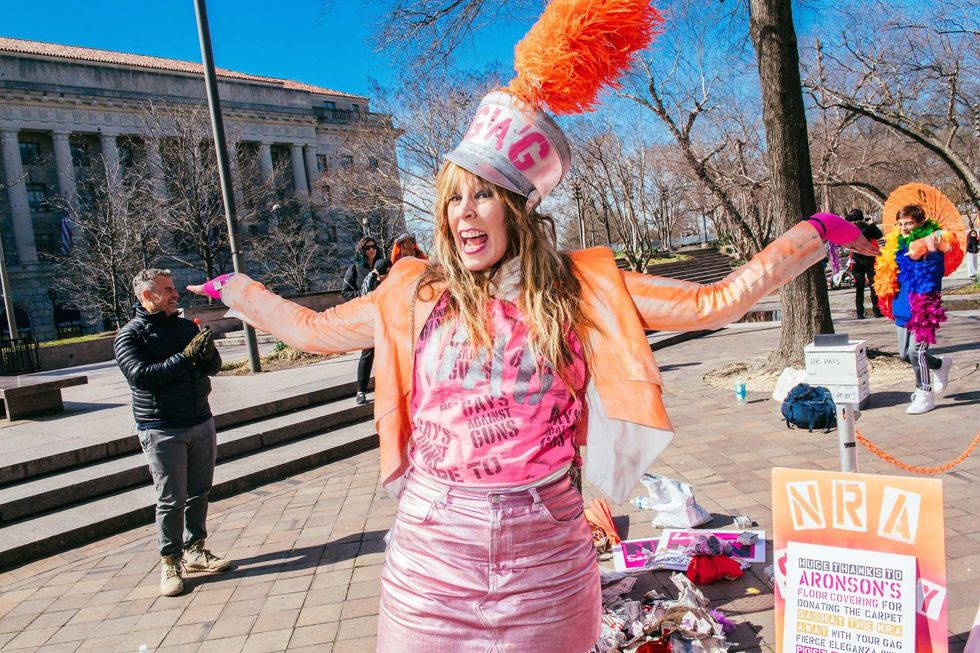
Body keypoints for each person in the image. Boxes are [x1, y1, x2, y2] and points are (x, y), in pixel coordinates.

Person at [187, 0, 877, 648]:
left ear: (515, 206)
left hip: (547, 556)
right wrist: (237, 290)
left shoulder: (579, 290)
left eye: (482, 194)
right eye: (453, 197)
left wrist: (814, 234)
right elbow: (313, 328)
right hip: (431, 560)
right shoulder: (415, 292)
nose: (463, 211)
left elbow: (712, 303)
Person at [114, 269, 231, 597]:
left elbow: (210, 368)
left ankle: (196, 549)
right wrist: (185, 357)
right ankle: (170, 561)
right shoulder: (129, 336)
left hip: (199, 420)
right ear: (147, 296)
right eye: (167, 290)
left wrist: (209, 356)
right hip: (161, 427)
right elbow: (142, 377)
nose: (174, 294)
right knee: (170, 499)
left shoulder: (183, 327)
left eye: (174, 288)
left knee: (199, 491)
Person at [874, 205, 956, 414]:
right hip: (902, 306)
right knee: (904, 355)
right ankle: (939, 364)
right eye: (900, 224)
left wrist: (921, 257)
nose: (904, 228)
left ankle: (924, 394)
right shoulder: (896, 245)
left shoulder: (931, 246)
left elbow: (933, 278)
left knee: (916, 351)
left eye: (909, 223)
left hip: (923, 307)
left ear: (919, 223)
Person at [343, 236, 380, 405]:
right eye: (368, 247)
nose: (372, 250)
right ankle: (361, 390)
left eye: (374, 247)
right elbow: (345, 292)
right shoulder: (355, 269)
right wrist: (364, 295)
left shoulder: (383, 266)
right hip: (367, 316)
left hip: (385, 314)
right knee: (368, 352)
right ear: (361, 250)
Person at [845, 208, 883, 318]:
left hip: (856, 262)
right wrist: (872, 224)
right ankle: (876, 311)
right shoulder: (867, 228)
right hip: (870, 260)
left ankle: (860, 313)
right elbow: (879, 235)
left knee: (859, 289)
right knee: (873, 287)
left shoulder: (849, 229)